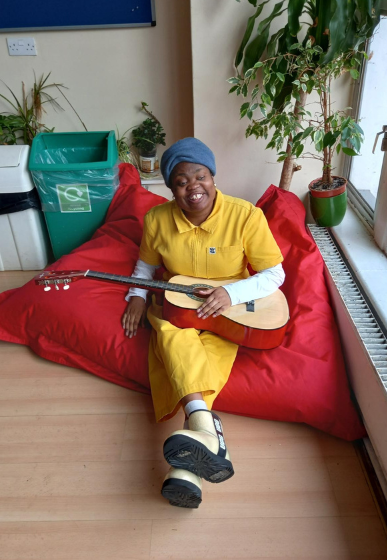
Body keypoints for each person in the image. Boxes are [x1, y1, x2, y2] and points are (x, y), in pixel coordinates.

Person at [121, 137, 285, 508]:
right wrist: (136, 296)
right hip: (178, 305)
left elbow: (274, 274)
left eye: (200, 176)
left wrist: (232, 294)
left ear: (212, 177)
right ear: (171, 188)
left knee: (208, 356)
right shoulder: (156, 220)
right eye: (181, 181)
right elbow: (146, 265)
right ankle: (205, 434)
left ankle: (192, 460)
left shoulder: (246, 216)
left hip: (228, 312)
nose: (192, 186)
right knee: (169, 333)